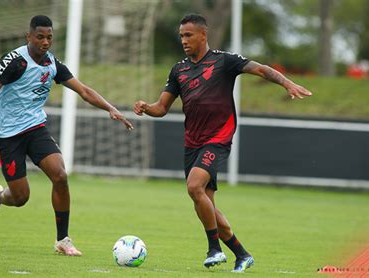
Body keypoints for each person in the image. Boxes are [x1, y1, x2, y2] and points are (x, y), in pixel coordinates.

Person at [133, 14, 312, 272]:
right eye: (181, 35)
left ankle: (214, 249)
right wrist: (145, 107)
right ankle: (242, 254)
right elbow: (161, 108)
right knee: (207, 205)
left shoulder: (224, 60)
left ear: (203, 35)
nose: (183, 40)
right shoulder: (179, 70)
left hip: (218, 138)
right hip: (192, 143)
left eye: (189, 35)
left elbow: (261, 69)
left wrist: (287, 83)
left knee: (194, 187)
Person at [0, 15, 133, 256]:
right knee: (20, 197)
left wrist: (110, 108)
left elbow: (84, 91)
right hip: (7, 134)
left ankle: (63, 240)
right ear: (29, 37)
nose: (45, 42)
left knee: (60, 175)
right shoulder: (15, 61)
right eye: (40, 37)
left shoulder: (53, 65)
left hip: (35, 128)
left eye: (49, 37)